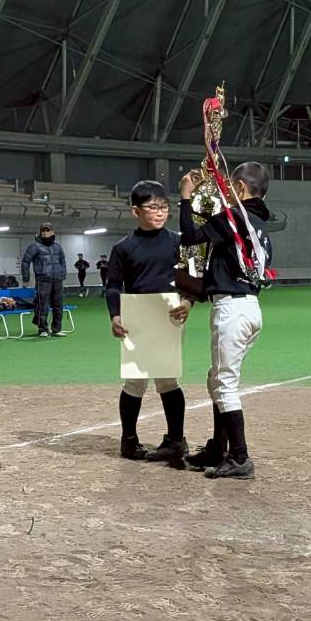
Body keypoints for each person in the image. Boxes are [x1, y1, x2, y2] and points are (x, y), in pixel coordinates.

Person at [177, 161, 273, 480]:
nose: (227, 191)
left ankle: (240, 457)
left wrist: (186, 196)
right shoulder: (258, 225)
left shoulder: (233, 218)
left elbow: (190, 237)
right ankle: (219, 448)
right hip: (250, 309)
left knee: (224, 384)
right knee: (216, 379)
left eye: (231, 185)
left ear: (241, 188)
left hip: (231, 308)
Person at [105, 181, 193, 462]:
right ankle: (129, 441)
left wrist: (188, 302)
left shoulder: (178, 242)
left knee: (168, 379)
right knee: (134, 382)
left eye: (164, 207)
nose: (160, 212)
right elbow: (113, 286)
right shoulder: (123, 247)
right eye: (153, 207)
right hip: (137, 319)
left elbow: (191, 277)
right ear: (136, 211)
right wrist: (115, 315)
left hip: (170, 318)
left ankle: (176, 440)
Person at [21, 222, 68, 337]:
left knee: (58, 305)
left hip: (57, 280)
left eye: (47, 230)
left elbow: (63, 261)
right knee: (42, 305)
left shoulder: (57, 247)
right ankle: (43, 329)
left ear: (52, 232)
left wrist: (62, 274)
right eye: (43, 230)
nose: (45, 232)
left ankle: (56, 329)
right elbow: (25, 262)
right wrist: (26, 278)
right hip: (43, 281)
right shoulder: (34, 246)